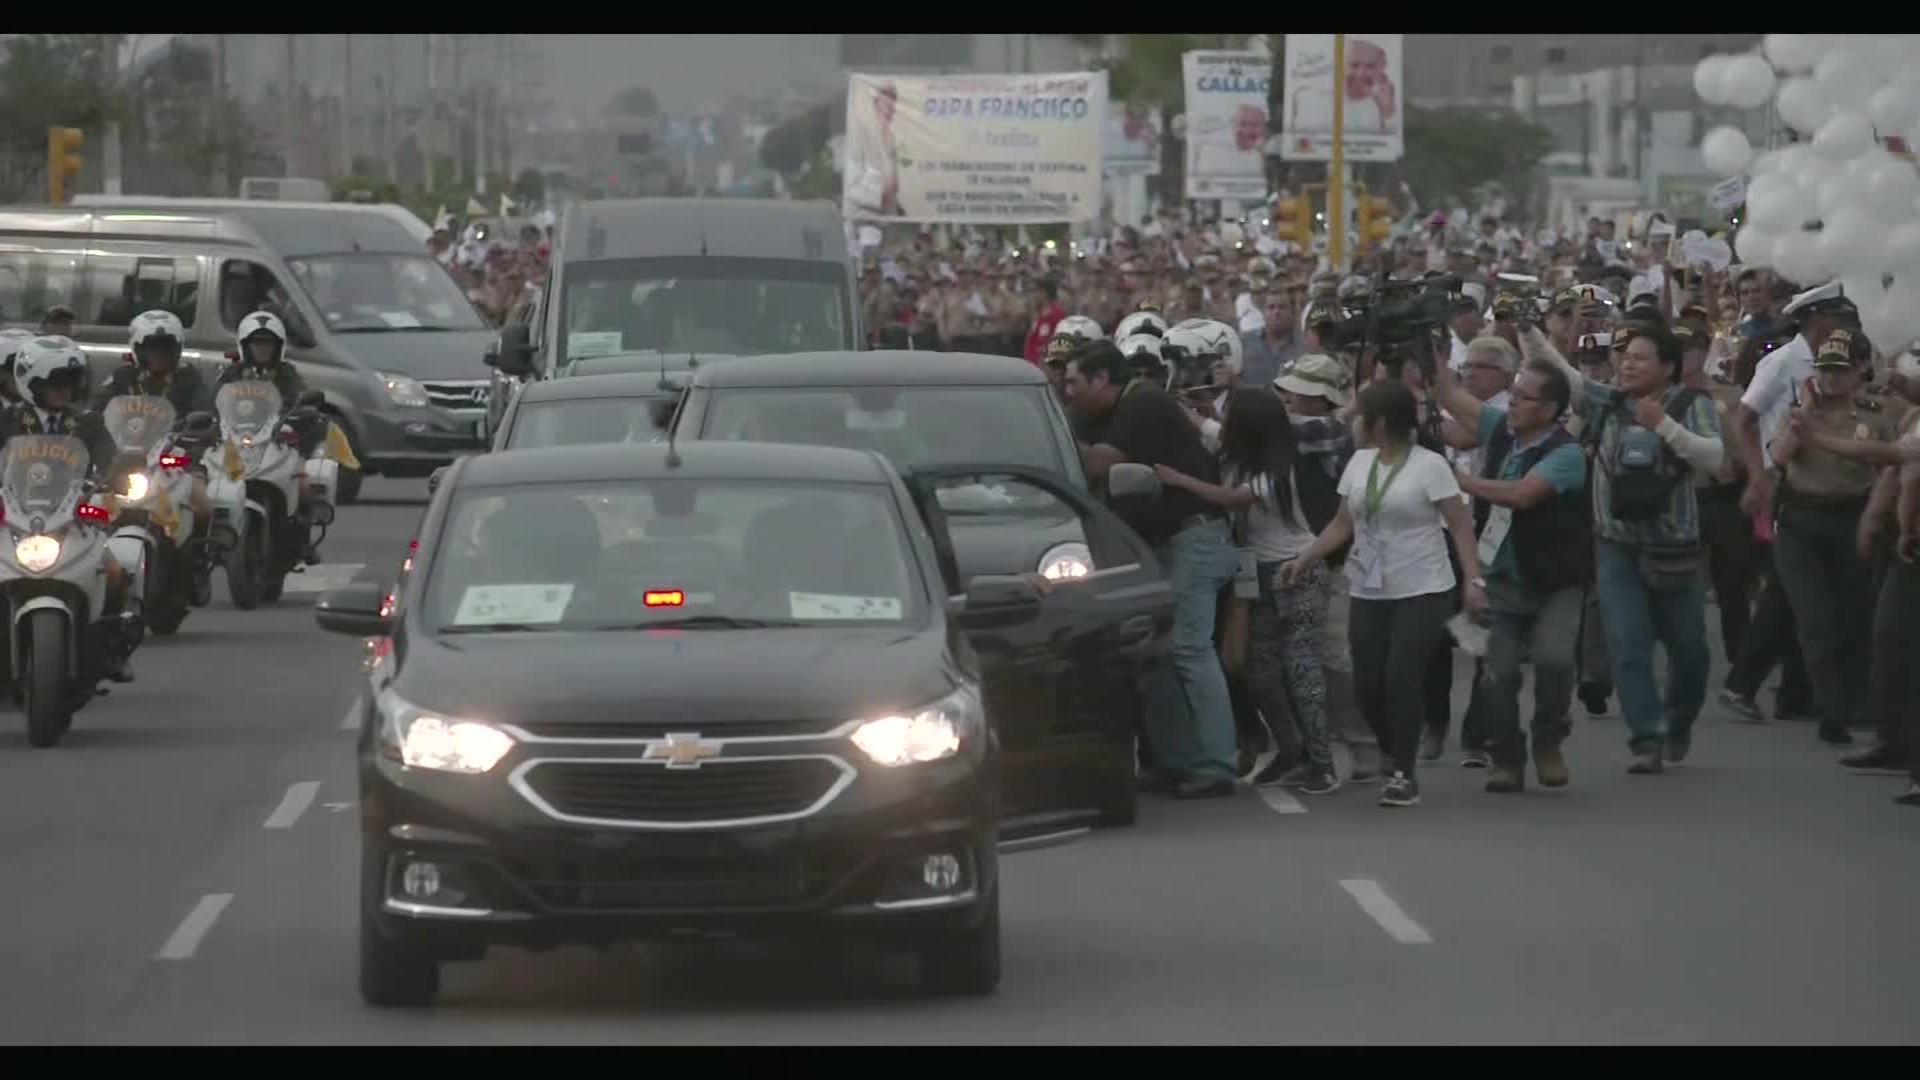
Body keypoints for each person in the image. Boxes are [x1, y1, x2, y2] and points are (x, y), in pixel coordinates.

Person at [1279, 379, 1487, 808]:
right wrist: (1305, 558)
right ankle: (1394, 748)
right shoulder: (1359, 463)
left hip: (1424, 586)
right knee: (1367, 685)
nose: (1352, 422)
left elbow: (1461, 525)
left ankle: (1403, 774)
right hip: (1370, 587)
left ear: (1381, 422)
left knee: (1401, 679)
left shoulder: (1430, 466)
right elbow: (1342, 523)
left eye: (1360, 415)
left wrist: (1472, 580)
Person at [1532, 323, 1725, 772]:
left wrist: (1664, 427)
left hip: (1675, 547)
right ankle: (1647, 739)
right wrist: (1529, 330)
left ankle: (1678, 722)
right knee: (1628, 645)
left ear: (1667, 367)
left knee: (1689, 652)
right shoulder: (1608, 402)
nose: (1627, 364)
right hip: (1615, 546)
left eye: (1640, 357)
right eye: (1624, 356)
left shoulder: (1691, 404)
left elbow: (1713, 458)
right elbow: (1566, 377)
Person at [1064, 339, 1240, 799]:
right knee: (1156, 654)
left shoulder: (1143, 404)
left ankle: (1218, 763)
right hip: (1162, 545)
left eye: (1073, 382)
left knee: (1189, 649)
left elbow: (1102, 462)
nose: (1067, 391)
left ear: (1103, 380)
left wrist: (1048, 435)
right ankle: (1176, 761)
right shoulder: (1101, 411)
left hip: (1194, 537)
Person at [1154, 386, 1347, 795]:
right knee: (1259, 673)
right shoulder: (1243, 455)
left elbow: (1232, 499)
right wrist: (1186, 411)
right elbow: (1209, 430)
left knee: (1300, 668)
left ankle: (1322, 763)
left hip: (1297, 568)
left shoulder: (1277, 468)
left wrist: (1179, 480)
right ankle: (1291, 749)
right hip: (1253, 567)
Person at [1433, 352, 1590, 792]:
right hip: (1501, 579)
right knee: (1497, 674)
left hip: (1555, 581)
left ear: (1549, 410)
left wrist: (1462, 482)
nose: (1513, 404)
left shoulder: (1567, 455)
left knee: (1555, 662)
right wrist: (1428, 355)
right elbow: (1450, 396)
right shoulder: (1502, 430)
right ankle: (1507, 757)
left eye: (1523, 398)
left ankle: (1548, 739)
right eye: (1514, 394)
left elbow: (1522, 495)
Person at [1766, 329, 1898, 747]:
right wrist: (1804, 415)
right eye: (1825, 369)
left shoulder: (1875, 411)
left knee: (1856, 619)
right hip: (1801, 521)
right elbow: (1779, 457)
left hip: (1852, 517)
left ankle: (1861, 702)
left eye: (1840, 370)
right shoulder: (1801, 409)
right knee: (1815, 621)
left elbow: (1888, 462)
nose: (1832, 378)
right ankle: (1831, 710)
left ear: (1859, 372)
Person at [0, 337, 135, 681]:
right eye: (53, 383)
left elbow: (109, 456)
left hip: (70, 515)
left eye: (68, 383)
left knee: (116, 569)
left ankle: (112, 646)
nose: (62, 391)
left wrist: (118, 474)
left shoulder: (88, 423)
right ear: (32, 384)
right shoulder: (8, 421)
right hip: (14, 515)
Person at [90, 310, 215, 541]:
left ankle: (197, 561)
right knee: (92, 503)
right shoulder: (122, 377)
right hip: (124, 455)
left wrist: (198, 425)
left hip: (176, 456)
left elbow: (206, 412)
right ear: (138, 349)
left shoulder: (189, 379)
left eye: (165, 348)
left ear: (176, 350)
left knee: (202, 504)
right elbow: (98, 408)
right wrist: (91, 420)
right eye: (151, 348)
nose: (158, 355)